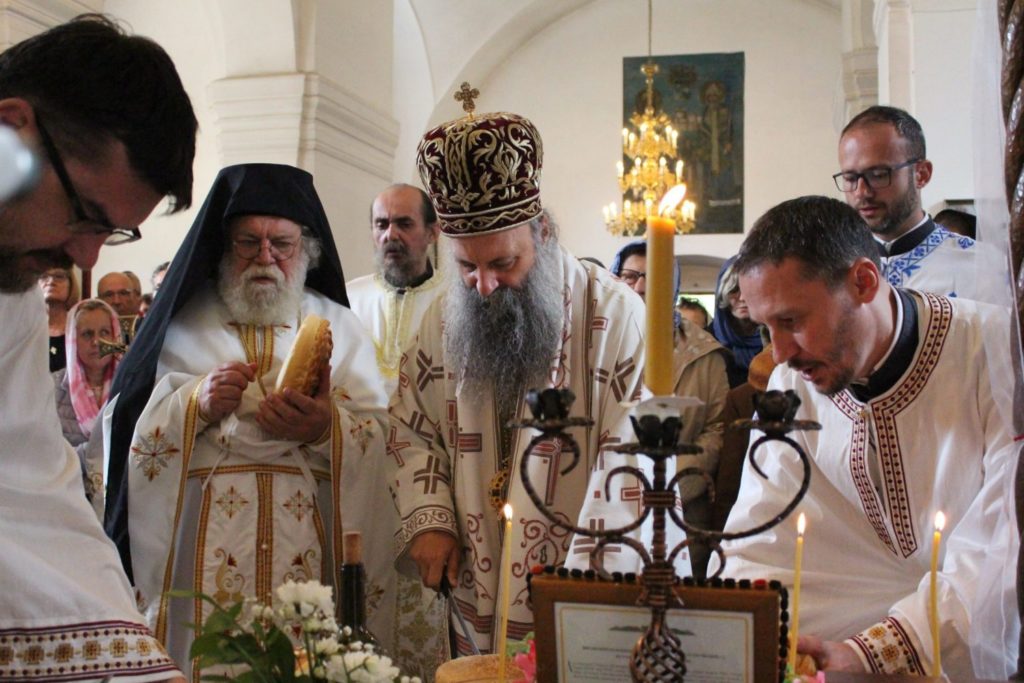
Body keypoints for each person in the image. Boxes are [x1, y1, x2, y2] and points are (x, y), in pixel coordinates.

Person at [388, 108, 682, 657]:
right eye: (466, 267)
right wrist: (431, 519)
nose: (483, 286)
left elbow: (635, 463)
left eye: (503, 262)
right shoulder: (442, 318)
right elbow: (411, 426)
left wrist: (583, 583)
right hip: (476, 569)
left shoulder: (614, 316)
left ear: (542, 233)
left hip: (574, 569)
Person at [103, 164, 397, 679]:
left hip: (307, 538)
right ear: (224, 245)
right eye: (248, 242)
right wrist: (196, 401)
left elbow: (381, 434)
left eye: (281, 244)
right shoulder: (182, 323)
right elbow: (130, 424)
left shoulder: (340, 326)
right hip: (204, 538)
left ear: (306, 250)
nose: (265, 258)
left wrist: (326, 428)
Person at [718, 195, 1018, 677]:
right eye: (765, 328)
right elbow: (761, 527)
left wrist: (872, 651)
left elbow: (1005, 540)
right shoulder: (791, 381)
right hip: (832, 623)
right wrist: (732, 628)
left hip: (972, 622)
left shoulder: (997, 351)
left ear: (863, 281)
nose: (778, 352)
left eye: (792, 321)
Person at [0, 13, 196, 681]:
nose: (83, 255)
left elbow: (29, 491)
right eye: (85, 212)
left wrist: (142, 663)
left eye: (112, 233)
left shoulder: (13, 298)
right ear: (10, 129)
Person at [611, 239, 729, 577]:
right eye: (631, 275)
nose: (641, 286)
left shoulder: (702, 352)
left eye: (653, 276)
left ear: (672, 285)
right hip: (612, 496)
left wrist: (670, 482)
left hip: (681, 510)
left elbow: (716, 427)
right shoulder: (597, 343)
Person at [836, 105, 1003, 302]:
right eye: (850, 178)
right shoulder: (831, 270)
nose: (861, 191)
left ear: (921, 174)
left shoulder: (985, 269)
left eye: (879, 175)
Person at [346, 183, 445, 395]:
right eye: (381, 224)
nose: (390, 235)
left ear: (433, 233)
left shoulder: (452, 299)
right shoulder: (349, 299)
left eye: (404, 224)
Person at [52, 298, 121, 501]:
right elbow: (49, 452)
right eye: (87, 334)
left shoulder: (130, 385)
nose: (97, 342)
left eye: (104, 333)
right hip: (71, 495)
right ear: (73, 339)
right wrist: (97, 451)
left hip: (120, 494)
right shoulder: (53, 387)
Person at [711, 257, 764, 387]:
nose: (742, 298)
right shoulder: (707, 343)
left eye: (750, 290)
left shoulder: (776, 340)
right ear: (723, 292)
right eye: (734, 290)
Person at [39, 266, 80, 371]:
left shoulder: (80, 327)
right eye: (44, 276)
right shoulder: (26, 328)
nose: (51, 281)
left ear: (71, 285)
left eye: (59, 276)